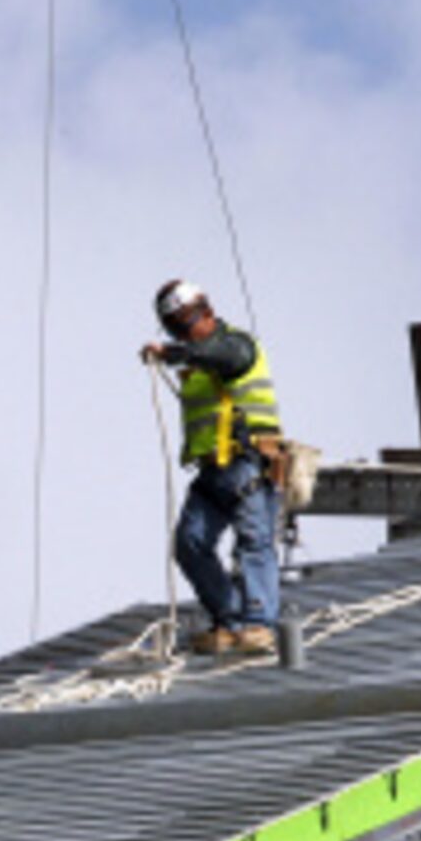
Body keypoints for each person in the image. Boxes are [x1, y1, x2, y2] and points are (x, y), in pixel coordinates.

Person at [141, 278, 285, 654]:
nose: (181, 333)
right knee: (190, 543)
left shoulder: (236, 345)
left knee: (253, 542)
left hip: (249, 463)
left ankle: (258, 623)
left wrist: (175, 353)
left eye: (184, 324)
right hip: (213, 470)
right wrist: (178, 354)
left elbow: (224, 357)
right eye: (173, 328)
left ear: (206, 312)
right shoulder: (198, 359)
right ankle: (230, 618)